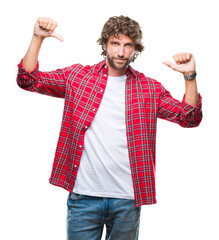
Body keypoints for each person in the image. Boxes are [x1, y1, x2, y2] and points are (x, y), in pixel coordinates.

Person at [17, 16, 202, 240]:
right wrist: (38, 37)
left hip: (127, 199)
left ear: (136, 49)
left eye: (128, 45)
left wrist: (189, 76)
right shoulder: (78, 77)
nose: (121, 52)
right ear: (104, 45)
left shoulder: (148, 89)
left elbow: (189, 118)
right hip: (83, 197)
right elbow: (28, 80)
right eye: (115, 43)